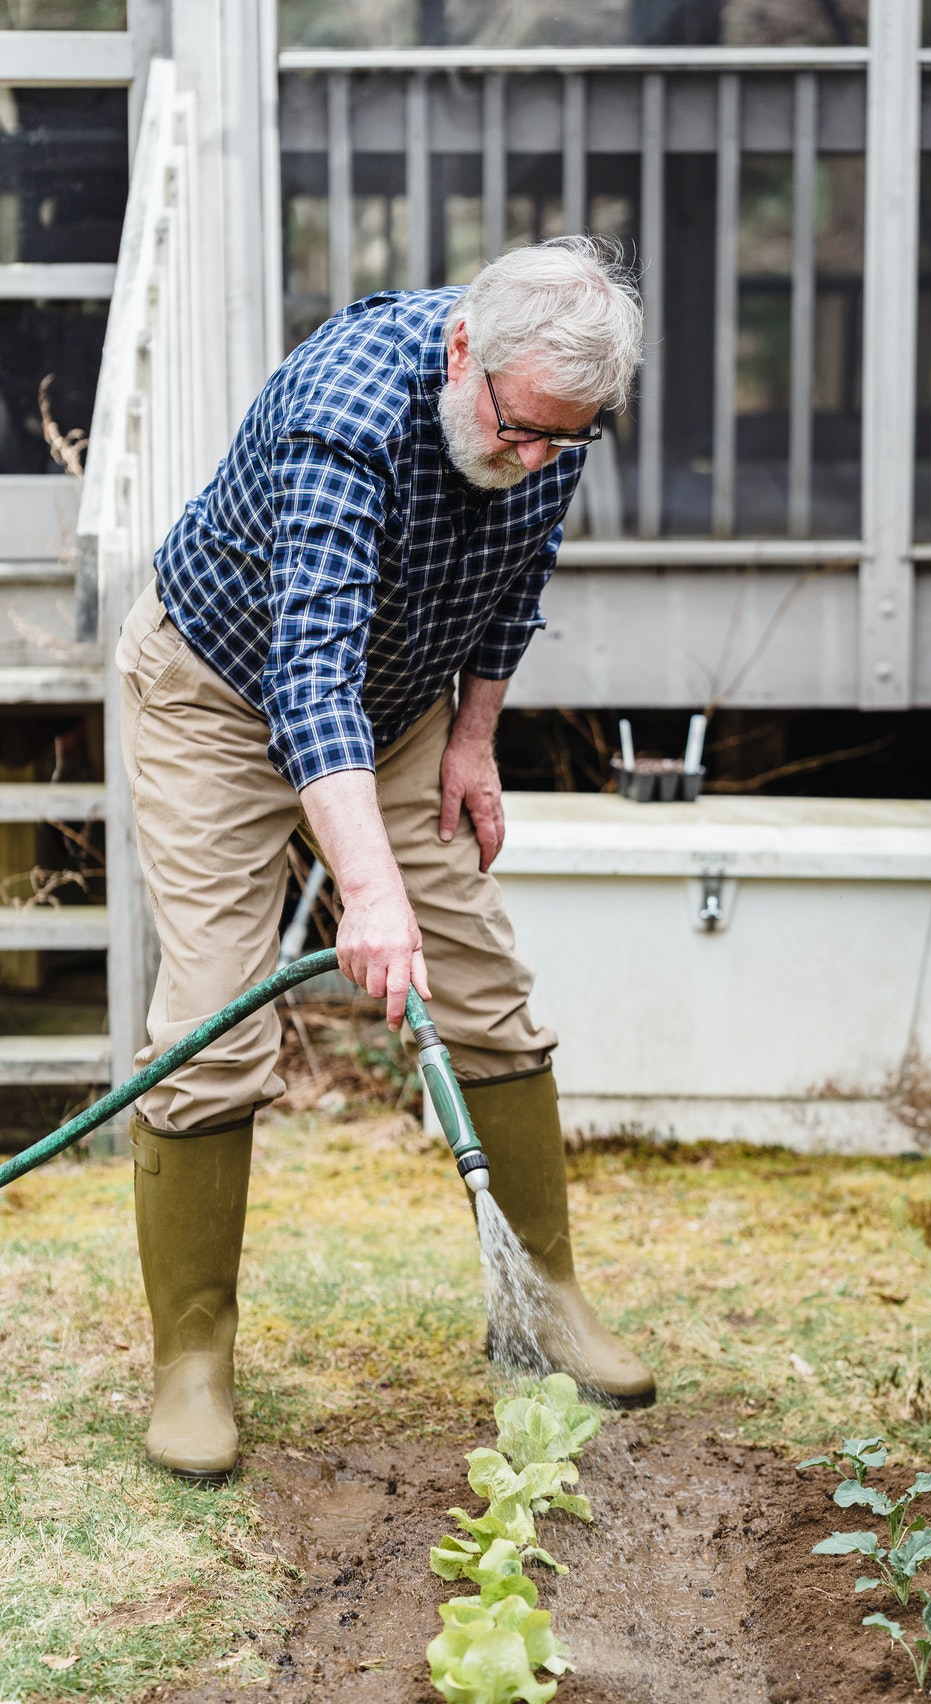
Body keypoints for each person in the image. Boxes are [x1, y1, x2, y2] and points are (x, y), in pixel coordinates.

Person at [117, 236, 654, 1482]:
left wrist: (472, 740)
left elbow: (518, 574)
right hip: (220, 698)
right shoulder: (346, 409)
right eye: (519, 430)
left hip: (404, 707)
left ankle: (545, 1301)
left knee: (481, 982)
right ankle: (192, 1361)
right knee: (208, 1017)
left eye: (560, 444)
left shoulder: (548, 413)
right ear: (464, 348)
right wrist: (365, 890)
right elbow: (308, 675)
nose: (533, 459)